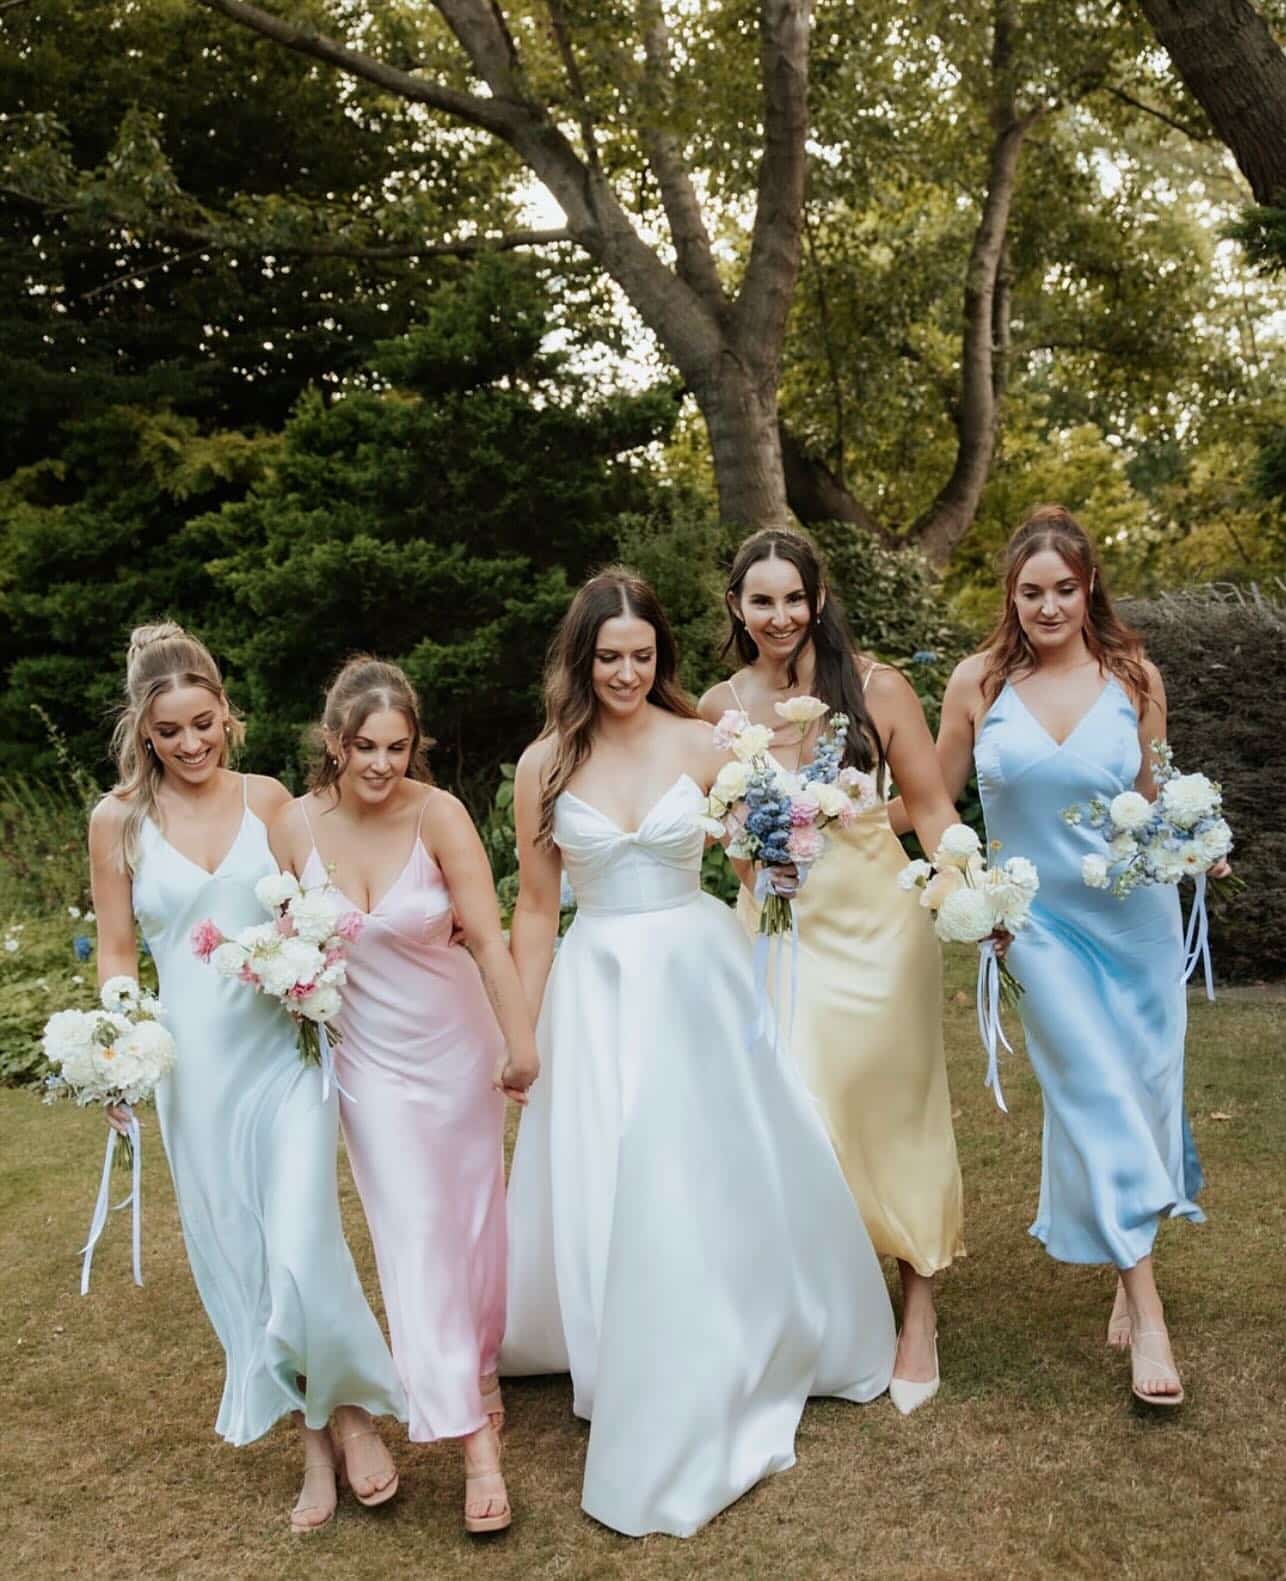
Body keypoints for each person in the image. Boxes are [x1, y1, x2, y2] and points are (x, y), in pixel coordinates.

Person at [501, 568, 896, 1538]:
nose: (625, 673)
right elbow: (536, 909)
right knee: (607, 1158)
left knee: (706, 1160)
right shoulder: (543, 764)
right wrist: (520, 1024)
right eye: (608, 657)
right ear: (580, 659)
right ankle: (615, 1338)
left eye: (641, 656)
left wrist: (785, 844)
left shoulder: (704, 739)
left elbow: (754, 860)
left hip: (696, 970)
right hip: (597, 983)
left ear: (661, 657)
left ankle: (732, 1316)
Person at [89, 623, 404, 1533]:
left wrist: (312, 963)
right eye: (170, 732)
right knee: (248, 1258)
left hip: (286, 1051)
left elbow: (323, 910)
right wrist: (118, 1040)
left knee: (303, 1235)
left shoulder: (269, 799)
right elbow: (118, 949)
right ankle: (314, 1437)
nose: (192, 745)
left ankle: (353, 1414)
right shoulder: (118, 821)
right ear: (143, 732)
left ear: (228, 712)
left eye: (204, 724)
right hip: (196, 1072)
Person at [933, 504, 1207, 1405]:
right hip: (1034, 927)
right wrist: (832, 819)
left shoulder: (1133, 677)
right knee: (1092, 1088)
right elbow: (932, 800)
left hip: (1136, 919)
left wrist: (1197, 840)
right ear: (1010, 596)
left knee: (1143, 1089)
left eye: (1063, 588)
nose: (1047, 606)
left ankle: (1131, 1242)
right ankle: (1147, 1309)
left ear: (1089, 588)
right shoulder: (978, 682)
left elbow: (1154, 797)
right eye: (1030, 592)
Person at [271, 656, 539, 1533]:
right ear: (333, 742)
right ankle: (474, 1443)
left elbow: (489, 938)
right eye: (365, 747)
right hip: (368, 1065)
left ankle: (480, 1362)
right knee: (416, 1236)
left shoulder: (440, 814)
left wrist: (520, 1042)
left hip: (456, 1047)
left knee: (473, 1224)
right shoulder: (293, 826)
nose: (382, 763)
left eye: (397, 746)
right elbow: (282, 946)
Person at [699, 528, 964, 1415]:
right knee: (800, 1111)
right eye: (761, 600)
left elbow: (929, 804)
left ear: (817, 599)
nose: (780, 616)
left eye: (794, 598)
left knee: (891, 1109)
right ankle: (818, 1301)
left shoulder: (877, 687)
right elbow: (727, 830)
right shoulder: (718, 707)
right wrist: (753, 868)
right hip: (780, 934)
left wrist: (966, 891)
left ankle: (917, 1305)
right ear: (737, 605)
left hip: (881, 930)